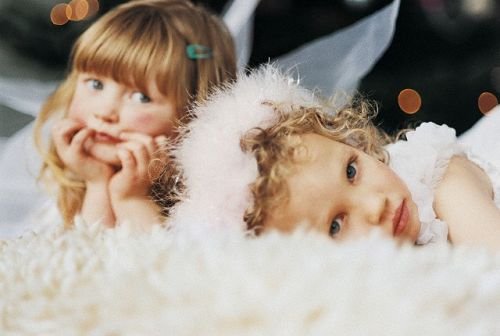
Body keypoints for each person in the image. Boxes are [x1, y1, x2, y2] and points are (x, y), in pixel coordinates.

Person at [171, 65, 500, 252]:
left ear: (348, 141)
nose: (374, 207)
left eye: (352, 170)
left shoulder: (431, 174)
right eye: (335, 225)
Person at [34, 0, 236, 229]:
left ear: (192, 114)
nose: (104, 112)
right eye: (96, 84)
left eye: (141, 97)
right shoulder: (70, 180)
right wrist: (97, 182)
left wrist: (132, 198)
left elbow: (152, 261)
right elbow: (85, 257)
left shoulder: (207, 200)